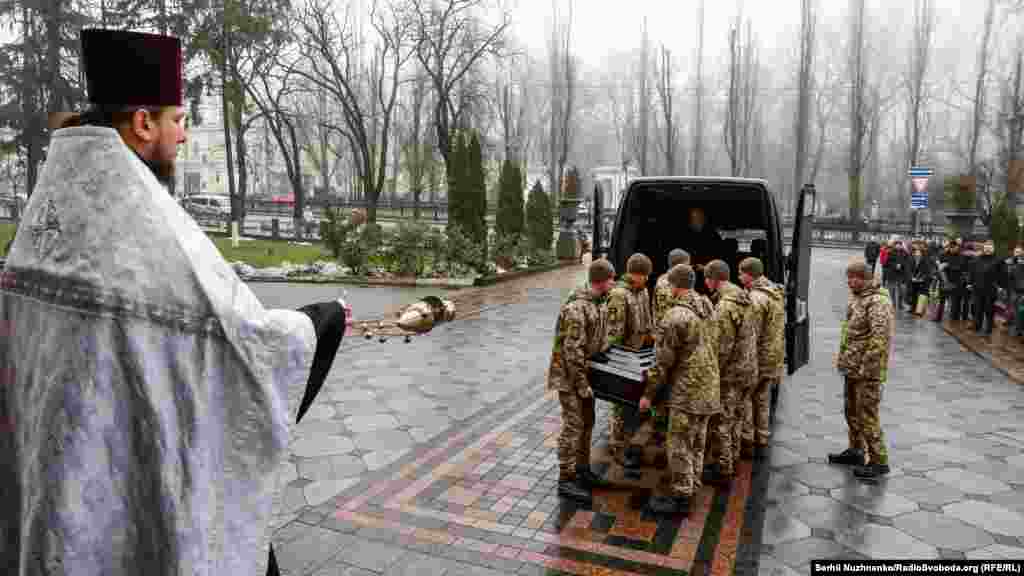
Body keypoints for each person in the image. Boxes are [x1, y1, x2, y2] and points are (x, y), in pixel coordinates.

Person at [0, 29, 350, 576]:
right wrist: (318, 322)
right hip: (125, 489)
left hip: (54, 486)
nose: (184, 137)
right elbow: (233, 339)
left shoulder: (53, 201)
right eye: (179, 121)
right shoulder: (140, 219)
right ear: (143, 123)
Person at [639, 264, 720, 515]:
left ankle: (681, 498)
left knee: (679, 443)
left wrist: (648, 394)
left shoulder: (675, 316)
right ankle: (692, 484)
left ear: (674, 285)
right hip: (709, 386)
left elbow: (662, 363)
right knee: (697, 441)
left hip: (686, 391)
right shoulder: (707, 307)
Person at [548, 258, 615, 503]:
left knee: (588, 422)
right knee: (573, 426)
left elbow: (598, 340)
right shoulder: (577, 307)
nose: (614, 282)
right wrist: (582, 385)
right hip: (570, 377)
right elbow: (572, 351)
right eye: (611, 279)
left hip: (586, 375)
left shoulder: (598, 303)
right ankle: (566, 478)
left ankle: (582, 469)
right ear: (600, 281)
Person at [829, 259, 895, 480]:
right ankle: (856, 450)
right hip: (853, 367)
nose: (850, 282)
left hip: (867, 371)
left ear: (866, 279)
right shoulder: (859, 299)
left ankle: (879, 461)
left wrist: (867, 368)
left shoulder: (877, 302)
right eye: (848, 277)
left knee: (867, 415)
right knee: (852, 412)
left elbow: (879, 340)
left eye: (854, 278)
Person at [702, 260, 757, 486]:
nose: (705, 282)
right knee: (736, 418)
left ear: (714, 279)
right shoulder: (743, 297)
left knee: (722, 421)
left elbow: (722, 348)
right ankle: (732, 459)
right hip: (748, 369)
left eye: (706, 278)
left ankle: (723, 470)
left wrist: (712, 373)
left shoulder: (725, 306)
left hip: (731, 374)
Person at [606, 253, 655, 469]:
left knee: (632, 404)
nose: (647, 280)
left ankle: (628, 441)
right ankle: (617, 447)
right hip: (623, 356)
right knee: (620, 405)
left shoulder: (642, 290)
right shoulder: (619, 294)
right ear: (636, 274)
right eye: (645, 276)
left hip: (639, 353)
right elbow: (613, 332)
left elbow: (646, 317)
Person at [738, 257, 785, 460]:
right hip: (774, 356)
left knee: (746, 398)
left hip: (759, 357)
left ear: (749, 275)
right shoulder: (774, 292)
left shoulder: (756, 299)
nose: (739, 277)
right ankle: (762, 438)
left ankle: (747, 441)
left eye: (740, 273)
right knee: (763, 398)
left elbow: (751, 334)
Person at [969, 240, 1006, 335]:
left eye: (990, 247)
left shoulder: (999, 260)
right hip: (978, 287)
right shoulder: (977, 259)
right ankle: (977, 326)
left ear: (993, 249)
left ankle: (988, 328)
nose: (988, 249)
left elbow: (1003, 274)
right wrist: (970, 283)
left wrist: (1001, 286)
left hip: (991, 288)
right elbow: (972, 272)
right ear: (984, 248)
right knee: (978, 308)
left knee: (989, 309)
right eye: (986, 247)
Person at [936, 240, 967, 323]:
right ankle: (938, 317)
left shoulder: (961, 256)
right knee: (941, 300)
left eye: (955, 247)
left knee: (955, 301)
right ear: (949, 247)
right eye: (952, 247)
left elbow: (961, 267)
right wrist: (939, 267)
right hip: (944, 280)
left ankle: (953, 318)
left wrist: (947, 265)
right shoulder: (943, 255)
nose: (954, 249)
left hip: (956, 281)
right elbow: (939, 268)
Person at [906, 245, 934, 316]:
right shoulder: (911, 259)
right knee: (913, 294)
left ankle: (919, 310)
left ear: (921, 253)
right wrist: (912, 277)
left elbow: (927, 271)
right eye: (916, 253)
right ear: (914, 253)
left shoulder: (925, 260)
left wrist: (922, 278)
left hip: (923, 281)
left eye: (919, 253)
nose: (917, 254)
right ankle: (912, 308)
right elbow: (908, 269)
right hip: (913, 280)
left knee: (922, 295)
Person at [1007, 246, 1024, 337]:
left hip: (1021, 291)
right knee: (1015, 310)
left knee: (1020, 311)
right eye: (1016, 252)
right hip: (1014, 290)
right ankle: (1017, 329)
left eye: (1019, 252)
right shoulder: (1011, 263)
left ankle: (1019, 329)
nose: (1017, 253)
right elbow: (1009, 277)